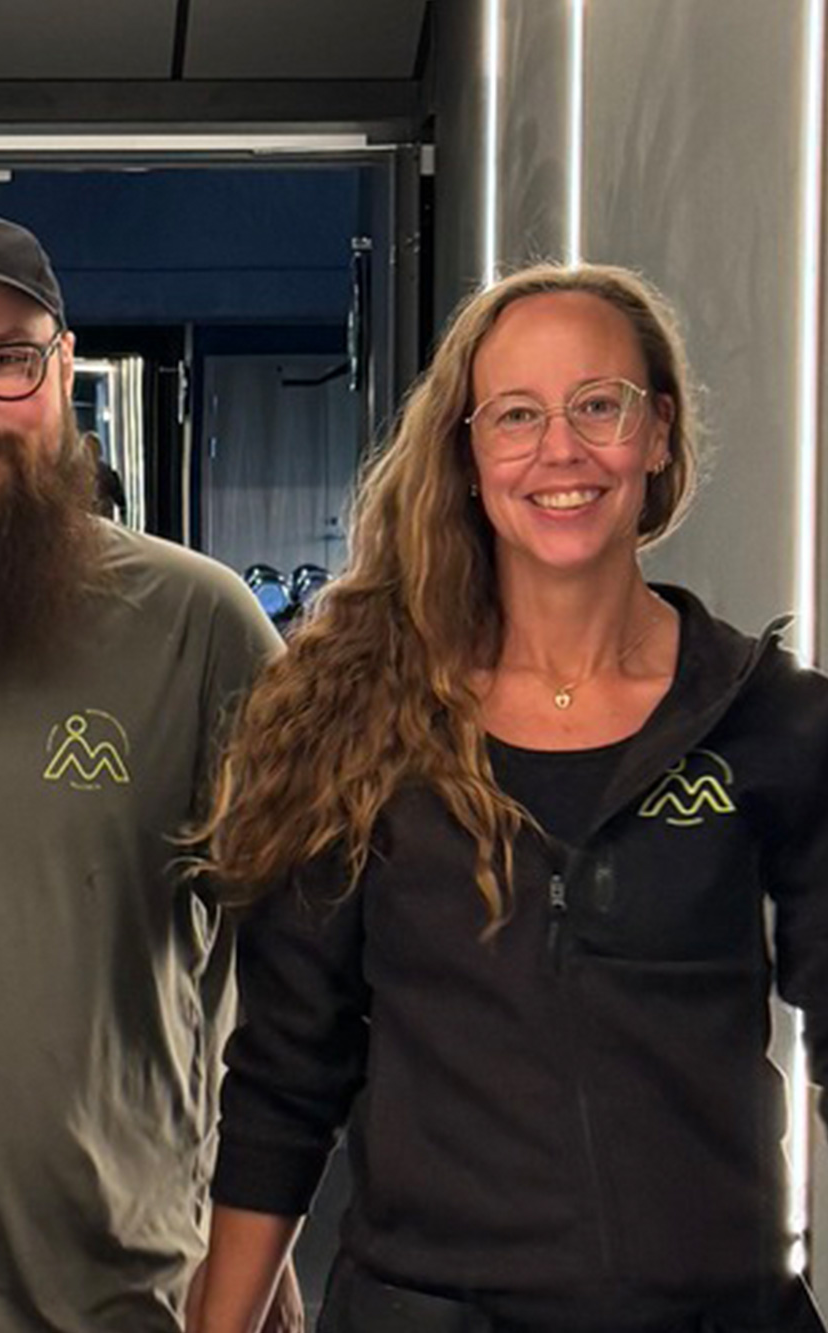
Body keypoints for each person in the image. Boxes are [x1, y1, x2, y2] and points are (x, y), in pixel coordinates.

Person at [191, 262, 828, 1333]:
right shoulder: (360, 720)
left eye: (598, 405)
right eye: (517, 415)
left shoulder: (772, 721)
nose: (560, 450)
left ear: (658, 432)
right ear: (470, 456)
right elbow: (284, 1078)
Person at [0, 205, 301, 1333]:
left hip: (136, 1295)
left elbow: (305, 985)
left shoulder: (200, 627)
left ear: (65, 365)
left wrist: (254, 1259)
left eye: (8, 359)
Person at [83, 429, 128, 523]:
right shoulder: (104, 470)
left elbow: (118, 495)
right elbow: (119, 497)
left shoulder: (105, 471)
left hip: (100, 515)